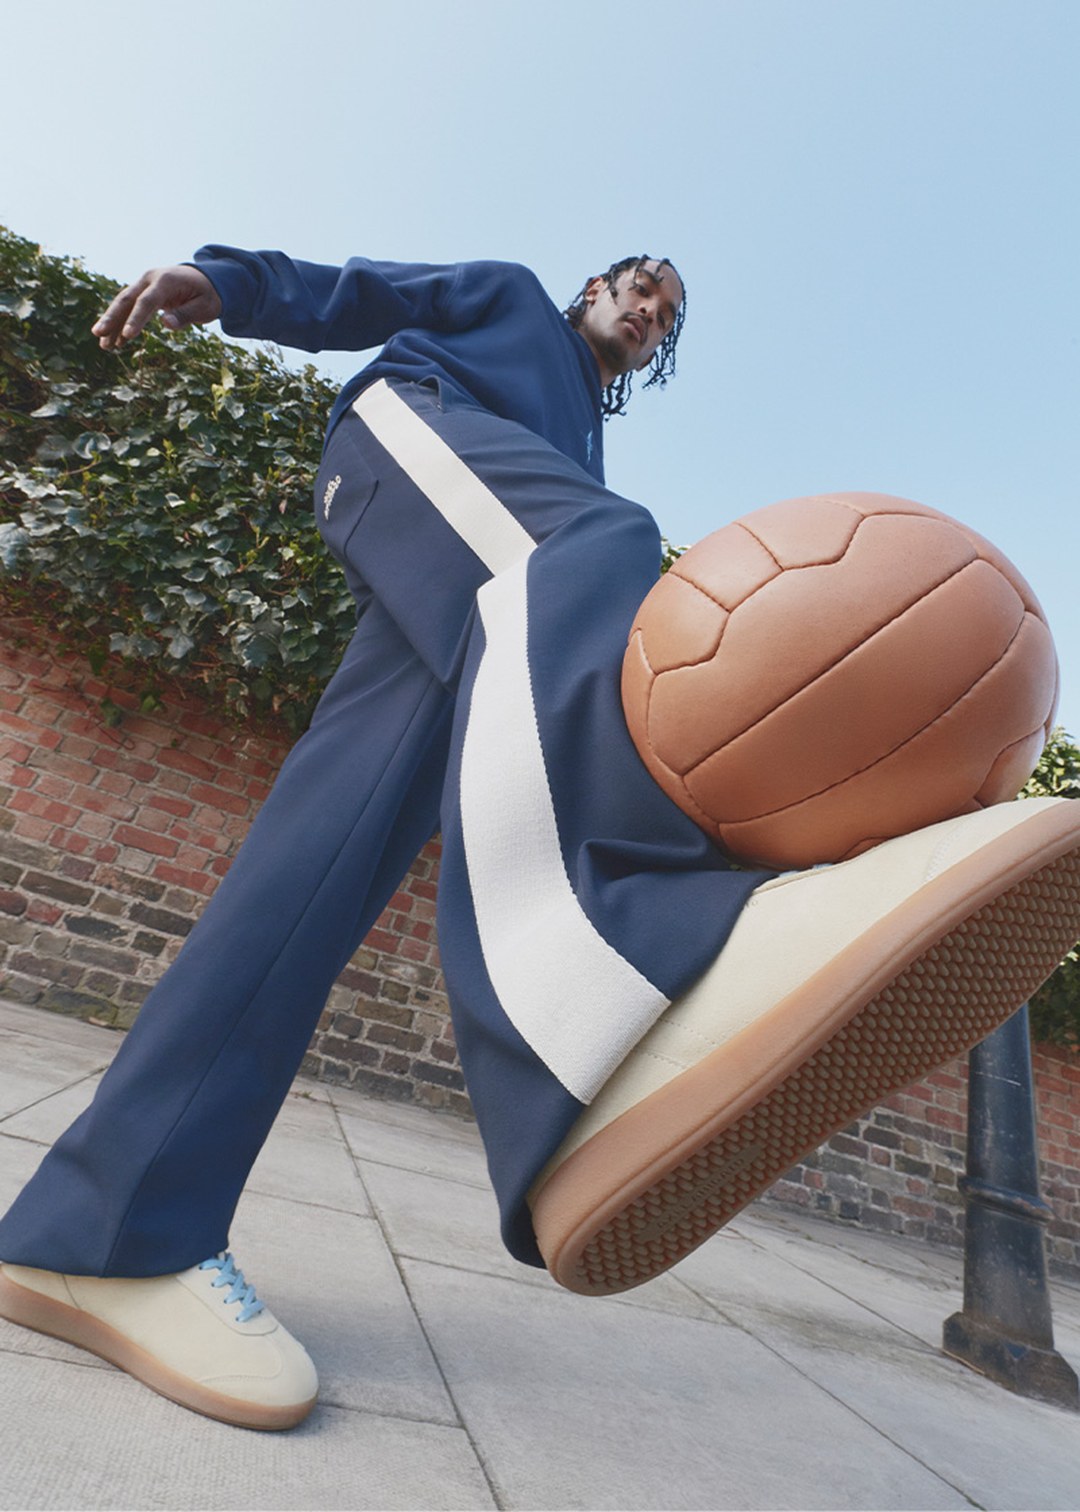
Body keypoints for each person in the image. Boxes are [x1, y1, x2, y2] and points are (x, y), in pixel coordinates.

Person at [1, 246, 1078, 1431]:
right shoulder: (510, 303)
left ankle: (106, 1234)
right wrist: (230, 283)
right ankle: (609, 994)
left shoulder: (579, 445)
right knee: (600, 546)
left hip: (458, 606)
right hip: (409, 445)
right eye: (639, 294)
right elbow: (372, 293)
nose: (648, 319)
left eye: (664, 319)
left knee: (307, 890)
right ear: (591, 292)